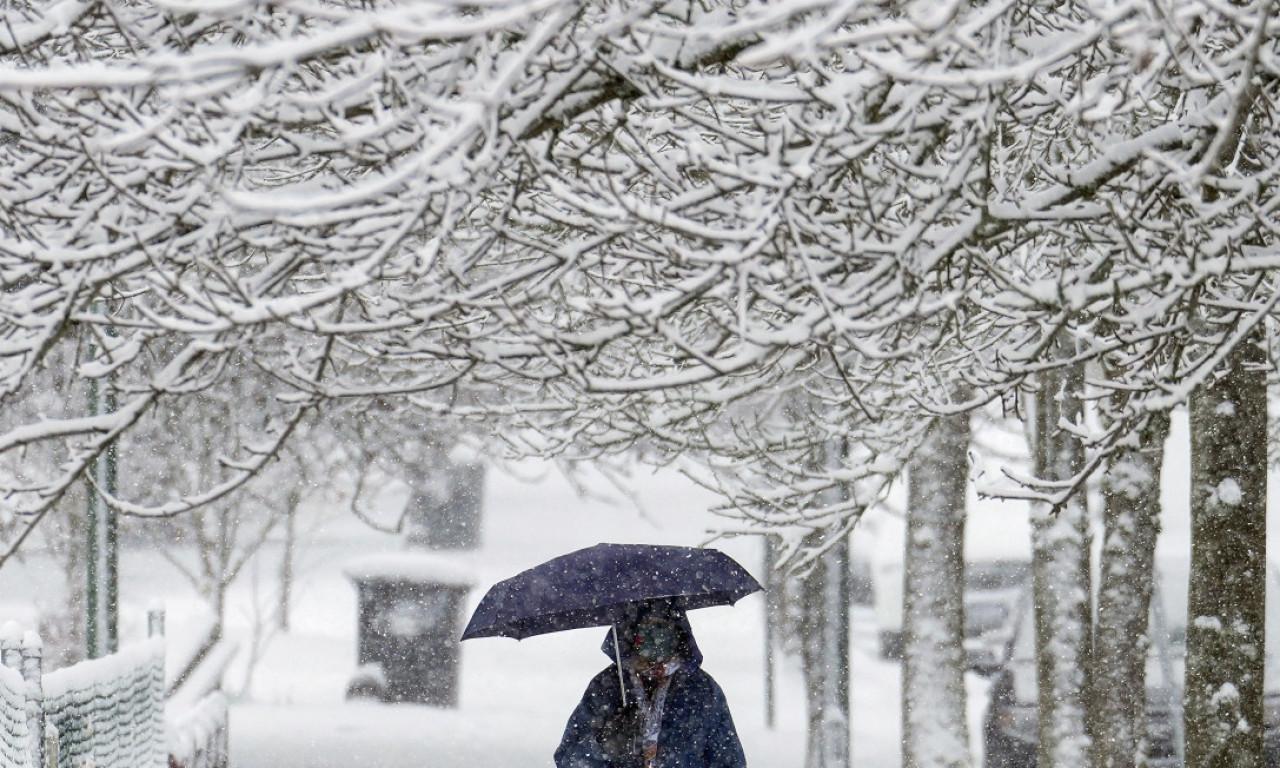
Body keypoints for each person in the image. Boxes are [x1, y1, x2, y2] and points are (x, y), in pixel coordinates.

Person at [554, 600, 747, 768]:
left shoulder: (701, 690)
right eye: (647, 628)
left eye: (664, 628)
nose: (656, 638)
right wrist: (602, 743)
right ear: (631, 634)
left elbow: (729, 761)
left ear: (679, 634)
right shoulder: (608, 687)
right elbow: (568, 758)